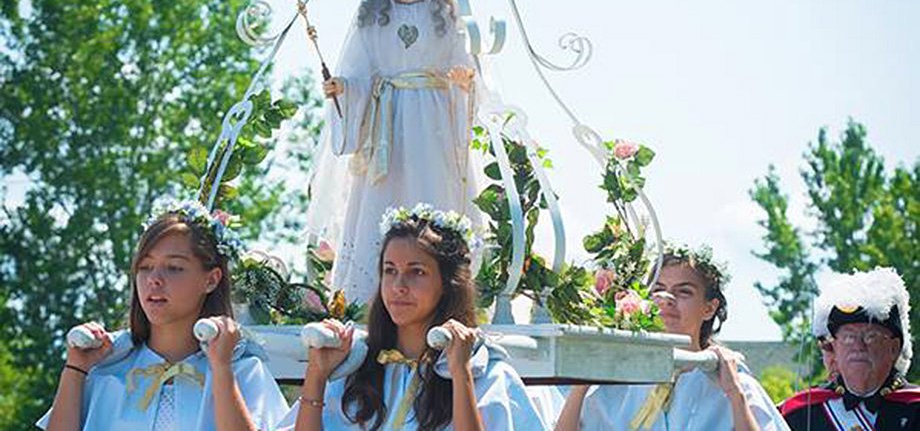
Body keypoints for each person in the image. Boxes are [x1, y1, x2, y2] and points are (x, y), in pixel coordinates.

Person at [304, 0, 481, 305]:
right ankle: (369, 296)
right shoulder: (374, 19)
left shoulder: (445, 20)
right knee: (380, 196)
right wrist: (344, 90)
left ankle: (440, 286)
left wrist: (464, 80)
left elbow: (463, 67)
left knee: (432, 188)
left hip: (432, 120)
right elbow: (359, 72)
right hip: (386, 120)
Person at [279, 204, 546, 430]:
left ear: (448, 283)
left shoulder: (487, 375)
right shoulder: (353, 370)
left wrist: (460, 374)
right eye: (390, 270)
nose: (398, 286)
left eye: (416, 272)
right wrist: (317, 375)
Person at [38, 200, 289, 430]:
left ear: (211, 280)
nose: (154, 280)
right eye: (145, 267)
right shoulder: (104, 369)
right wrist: (75, 369)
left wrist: (221, 369)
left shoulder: (243, 370)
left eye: (174, 268)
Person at [554, 244, 789, 431]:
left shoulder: (735, 384)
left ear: (709, 308)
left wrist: (735, 396)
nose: (667, 299)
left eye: (684, 291)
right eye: (658, 290)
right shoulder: (616, 385)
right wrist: (580, 385)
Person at [780, 267, 919, 430]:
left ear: (894, 349)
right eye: (848, 337)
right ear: (835, 348)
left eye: (870, 336)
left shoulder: (915, 408)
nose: (858, 346)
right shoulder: (802, 413)